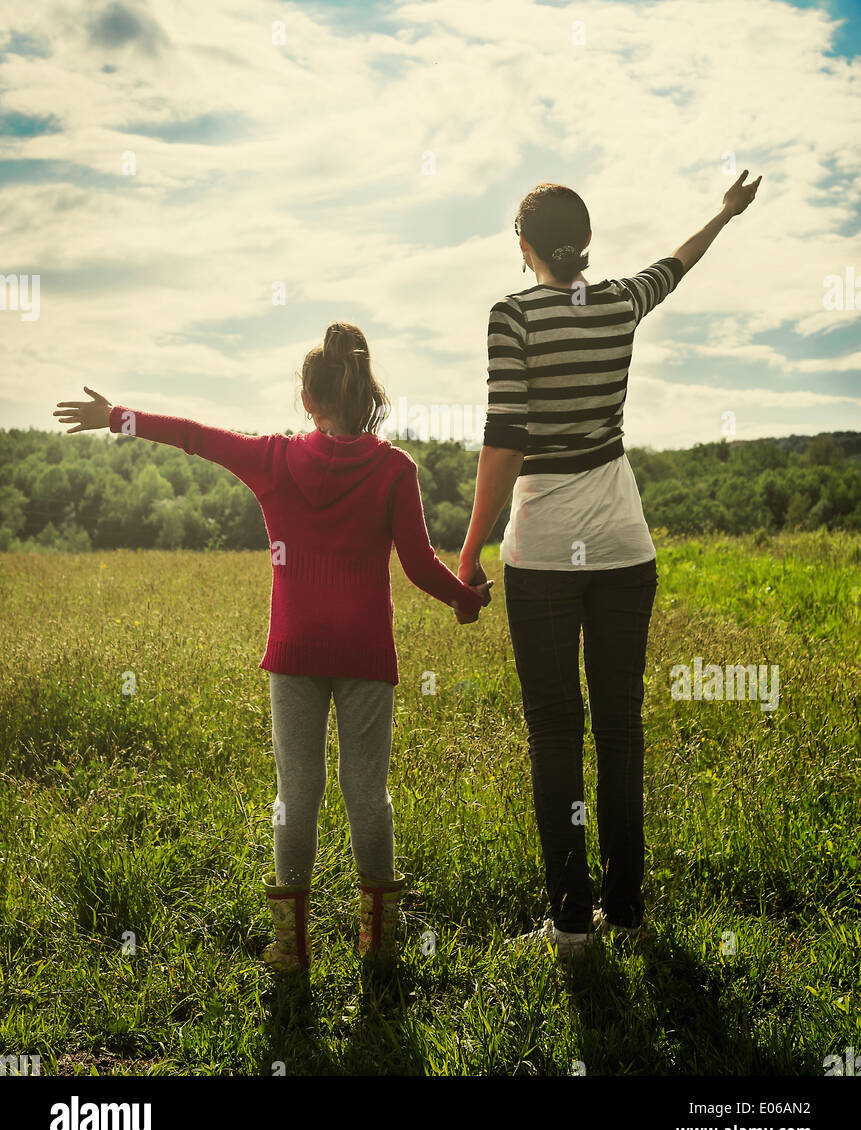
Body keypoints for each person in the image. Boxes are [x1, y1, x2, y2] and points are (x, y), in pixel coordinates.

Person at [53, 321, 490, 973]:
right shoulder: (395, 469)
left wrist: (117, 416)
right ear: (365, 393)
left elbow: (194, 438)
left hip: (294, 652)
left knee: (298, 791)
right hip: (365, 653)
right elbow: (418, 563)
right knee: (366, 792)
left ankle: (291, 946)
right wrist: (466, 598)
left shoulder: (274, 460)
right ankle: (380, 938)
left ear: (308, 401)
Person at [457, 170, 762, 964]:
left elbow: (506, 436)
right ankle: (624, 915)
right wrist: (724, 213)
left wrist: (465, 549)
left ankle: (570, 926)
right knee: (619, 727)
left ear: (523, 247)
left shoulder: (511, 315)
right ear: (584, 244)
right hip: (627, 545)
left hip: (546, 553)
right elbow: (678, 261)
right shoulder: (620, 301)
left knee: (555, 733)